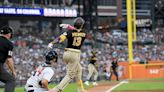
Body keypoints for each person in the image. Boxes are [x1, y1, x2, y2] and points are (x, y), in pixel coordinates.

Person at [48, 17, 86, 92]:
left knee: (79, 70)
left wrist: (52, 43)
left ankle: (81, 89)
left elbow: (60, 38)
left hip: (66, 53)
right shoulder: (84, 33)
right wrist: (69, 26)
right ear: (82, 25)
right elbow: (77, 31)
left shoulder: (69, 32)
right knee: (70, 75)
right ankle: (56, 90)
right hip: (75, 54)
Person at [0, 26, 16, 92]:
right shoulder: (9, 44)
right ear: (9, 34)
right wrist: (13, 71)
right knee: (10, 80)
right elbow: (9, 60)